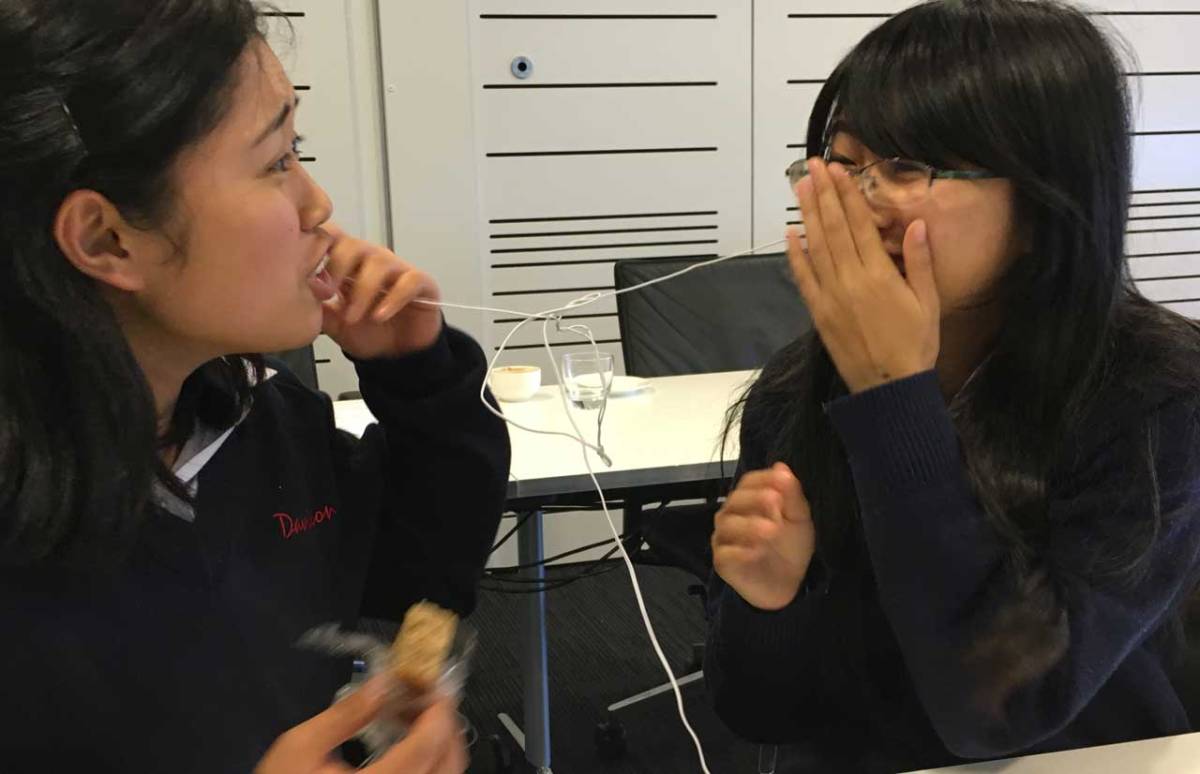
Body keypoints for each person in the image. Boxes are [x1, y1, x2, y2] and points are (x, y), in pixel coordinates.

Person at [0, 1, 509, 771]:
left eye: (296, 151)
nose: (317, 204)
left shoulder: (257, 418)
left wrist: (421, 379)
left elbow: (418, 582)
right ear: (106, 239)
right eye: (276, 162)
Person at [705, 1, 1200, 771]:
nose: (855, 205)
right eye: (842, 164)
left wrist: (894, 402)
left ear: (1044, 201)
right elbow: (759, 711)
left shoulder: (1156, 397)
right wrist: (767, 602)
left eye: (905, 167)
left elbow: (1000, 713)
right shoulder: (795, 390)